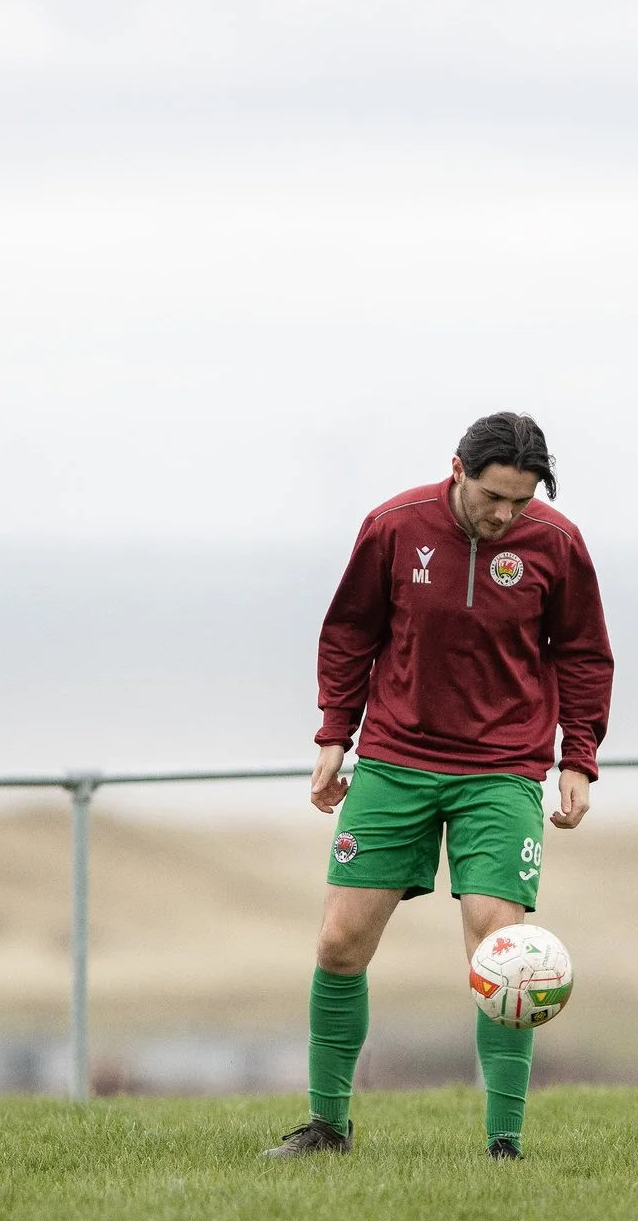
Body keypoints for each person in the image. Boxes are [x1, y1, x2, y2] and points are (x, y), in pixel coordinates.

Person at [262, 412, 614, 1160]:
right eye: (493, 496)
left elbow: (584, 653)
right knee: (338, 942)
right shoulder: (394, 526)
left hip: (502, 769)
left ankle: (503, 1145)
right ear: (457, 470)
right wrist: (334, 733)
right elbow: (350, 632)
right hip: (394, 760)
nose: (505, 514)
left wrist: (578, 754)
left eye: (519, 501)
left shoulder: (555, 543)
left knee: (501, 946)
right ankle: (327, 1128)